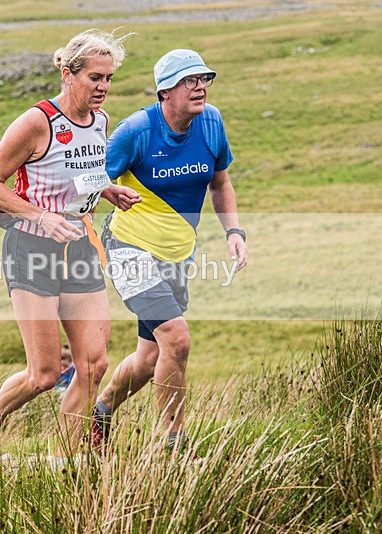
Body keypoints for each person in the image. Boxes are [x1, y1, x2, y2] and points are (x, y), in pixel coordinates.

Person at [0, 30, 141, 464]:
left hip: (79, 247)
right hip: (31, 249)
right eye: (95, 77)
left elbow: (77, 174)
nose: (103, 87)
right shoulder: (36, 122)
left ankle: (73, 466)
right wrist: (40, 216)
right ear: (68, 74)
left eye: (109, 78)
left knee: (93, 364)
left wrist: (106, 191)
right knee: (45, 374)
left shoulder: (100, 122)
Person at [92, 49, 249, 453]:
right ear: (165, 91)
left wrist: (234, 231)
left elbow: (220, 183)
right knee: (176, 339)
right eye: (188, 80)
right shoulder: (137, 130)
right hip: (129, 248)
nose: (199, 87)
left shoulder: (211, 122)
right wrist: (107, 191)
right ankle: (175, 444)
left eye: (204, 79)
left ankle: (103, 409)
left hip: (176, 252)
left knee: (149, 358)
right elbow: (89, 180)